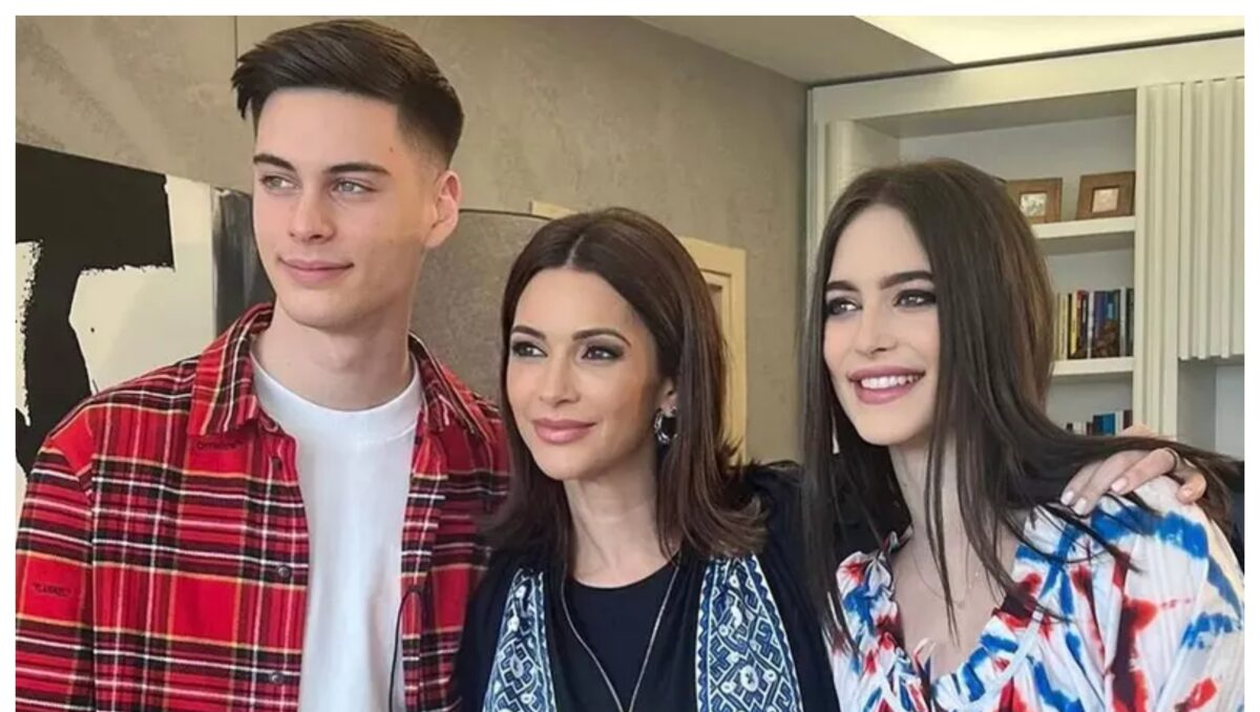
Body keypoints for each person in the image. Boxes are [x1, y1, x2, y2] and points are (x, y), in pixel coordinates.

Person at [453, 208, 1208, 712]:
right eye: (528, 350)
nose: (551, 388)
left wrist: (1137, 465)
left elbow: (969, 488)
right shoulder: (502, 600)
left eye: (597, 352)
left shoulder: (797, 524)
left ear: (673, 383)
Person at [16, 19, 508, 712]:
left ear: (440, 205)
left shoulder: (501, 471)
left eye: (350, 186)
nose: (304, 223)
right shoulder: (98, 458)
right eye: (278, 180)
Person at [798, 158, 1243, 712]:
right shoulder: (854, 608)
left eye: (913, 296)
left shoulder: (1136, 545)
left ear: (995, 312)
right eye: (842, 305)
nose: (867, 338)